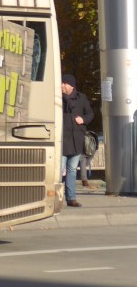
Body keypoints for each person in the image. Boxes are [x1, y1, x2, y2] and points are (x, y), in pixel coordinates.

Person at [61, 73, 94, 208]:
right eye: (61, 83)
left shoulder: (82, 98)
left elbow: (90, 114)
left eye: (64, 83)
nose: (62, 85)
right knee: (59, 170)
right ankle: (56, 197)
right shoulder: (56, 98)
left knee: (72, 170)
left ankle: (71, 198)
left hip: (76, 140)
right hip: (62, 140)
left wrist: (83, 120)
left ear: (71, 85)